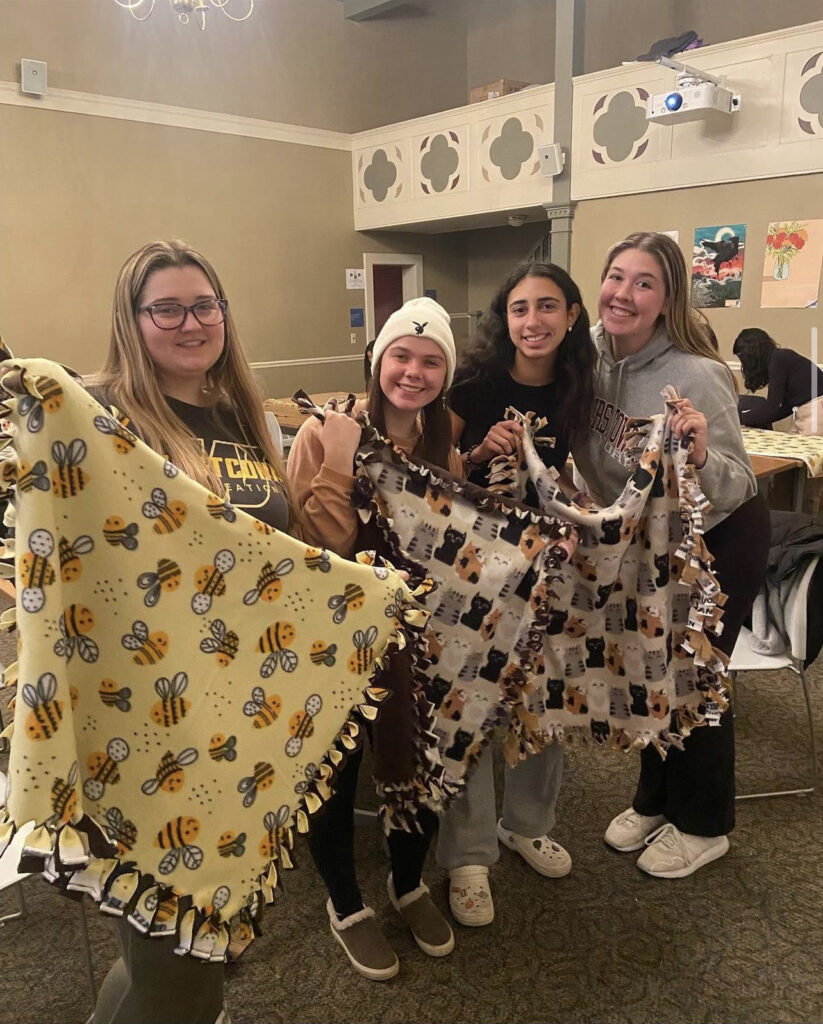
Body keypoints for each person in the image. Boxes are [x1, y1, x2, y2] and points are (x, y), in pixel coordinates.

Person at [86, 239, 297, 1024]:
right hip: (149, 724)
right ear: (132, 319)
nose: (189, 322)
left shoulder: (241, 411)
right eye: (166, 308)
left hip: (239, 717)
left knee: (165, 947)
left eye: (203, 305)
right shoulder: (106, 415)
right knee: (180, 959)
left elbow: (279, 552)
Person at [572, 231, 769, 879]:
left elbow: (737, 482)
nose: (622, 294)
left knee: (694, 680)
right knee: (648, 671)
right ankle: (656, 801)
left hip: (713, 540)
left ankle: (704, 824)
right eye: (615, 276)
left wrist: (704, 453)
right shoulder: (591, 358)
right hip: (641, 544)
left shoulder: (696, 373)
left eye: (643, 283)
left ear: (666, 299)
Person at [287, 296, 461, 980]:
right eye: (400, 355)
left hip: (420, 638)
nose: (411, 372)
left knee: (420, 763)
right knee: (335, 772)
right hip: (334, 636)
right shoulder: (326, 430)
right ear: (376, 359)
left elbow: (457, 539)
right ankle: (346, 903)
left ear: (443, 373)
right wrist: (336, 460)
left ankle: (407, 882)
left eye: (429, 361)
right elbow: (317, 542)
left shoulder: (444, 435)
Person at [437, 262, 595, 926]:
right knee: (469, 707)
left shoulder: (583, 386)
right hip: (475, 573)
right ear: (504, 319)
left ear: (572, 315)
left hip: (554, 574)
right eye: (519, 309)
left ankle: (525, 822)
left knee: (545, 703)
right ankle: (468, 853)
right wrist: (474, 456)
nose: (532, 321)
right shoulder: (471, 385)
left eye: (546, 307)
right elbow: (430, 468)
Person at [734, 327, 823, 429]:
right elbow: (784, 407)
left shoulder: (778, 360)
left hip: (817, 410)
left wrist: (739, 418)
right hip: (810, 409)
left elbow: (773, 406)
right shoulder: (781, 359)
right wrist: (748, 418)